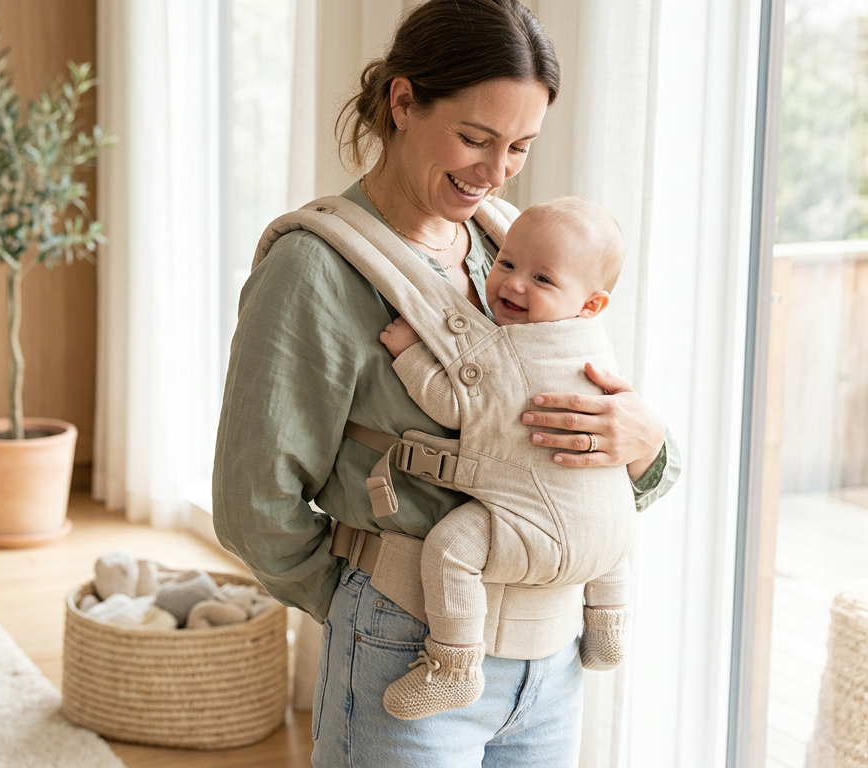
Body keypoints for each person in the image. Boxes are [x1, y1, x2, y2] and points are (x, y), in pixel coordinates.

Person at [212, 0, 681, 765]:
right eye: (475, 138)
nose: (495, 173)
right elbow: (251, 500)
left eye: (521, 147)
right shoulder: (315, 270)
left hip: (553, 658)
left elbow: (587, 440)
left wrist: (647, 444)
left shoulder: (518, 250)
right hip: (404, 643)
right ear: (403, 102)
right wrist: (361, 598)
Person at [375, 196, 634, 721]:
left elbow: (456, 405)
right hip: (604, 539)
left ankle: (452, 668)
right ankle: (608, 625)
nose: (513, 284)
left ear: (591, 304)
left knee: (449, 549)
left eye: (542, 279)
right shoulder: (595, 348)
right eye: (508, 263)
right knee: (611, 515)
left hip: (531, 528)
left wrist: (410, 353)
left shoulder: (508, 348)